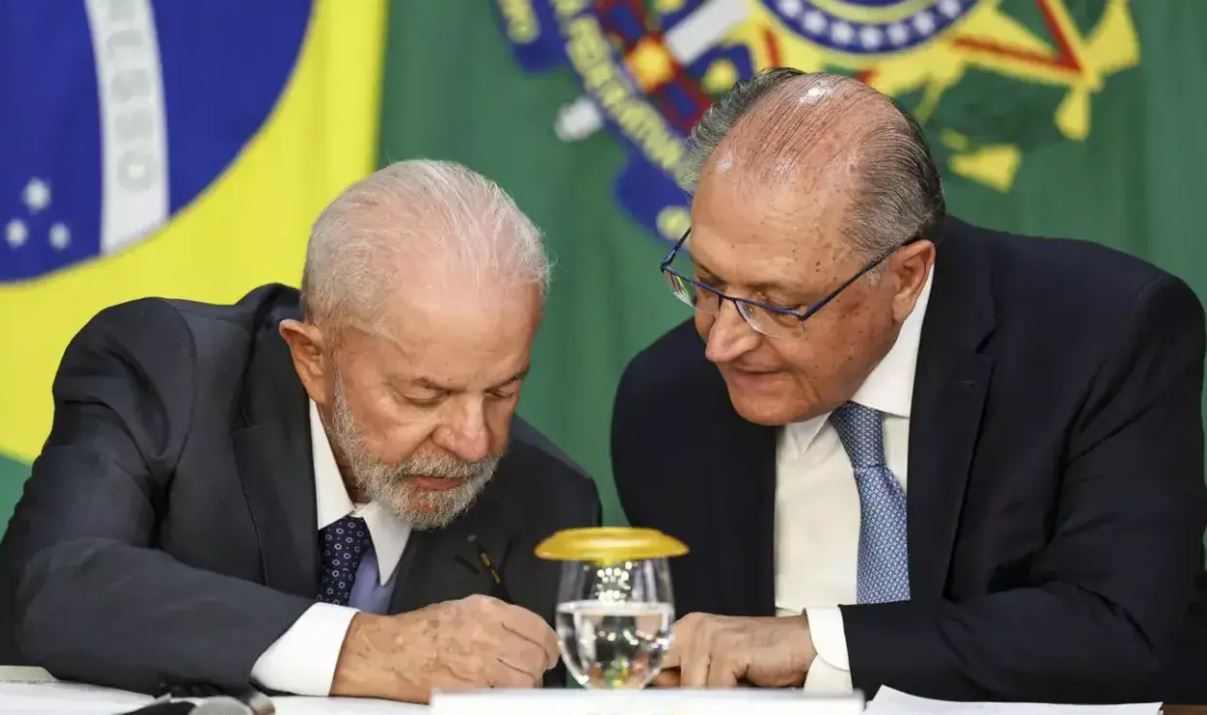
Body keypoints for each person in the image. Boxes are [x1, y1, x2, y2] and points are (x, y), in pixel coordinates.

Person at [612, 69, 1207, 703]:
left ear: (905, 277)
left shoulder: (1100, 337)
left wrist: (821, 643)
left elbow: (1124, 630)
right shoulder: (669, 402)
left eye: (776, 304)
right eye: (706, 281)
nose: (721, 342)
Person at [0, 160, 599, 703]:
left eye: (502, 391)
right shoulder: (168, 373)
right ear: (313, 359)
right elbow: (56, 586)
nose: (476, 442)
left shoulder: (547, 502)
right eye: (425, 394)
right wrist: (361, 648)